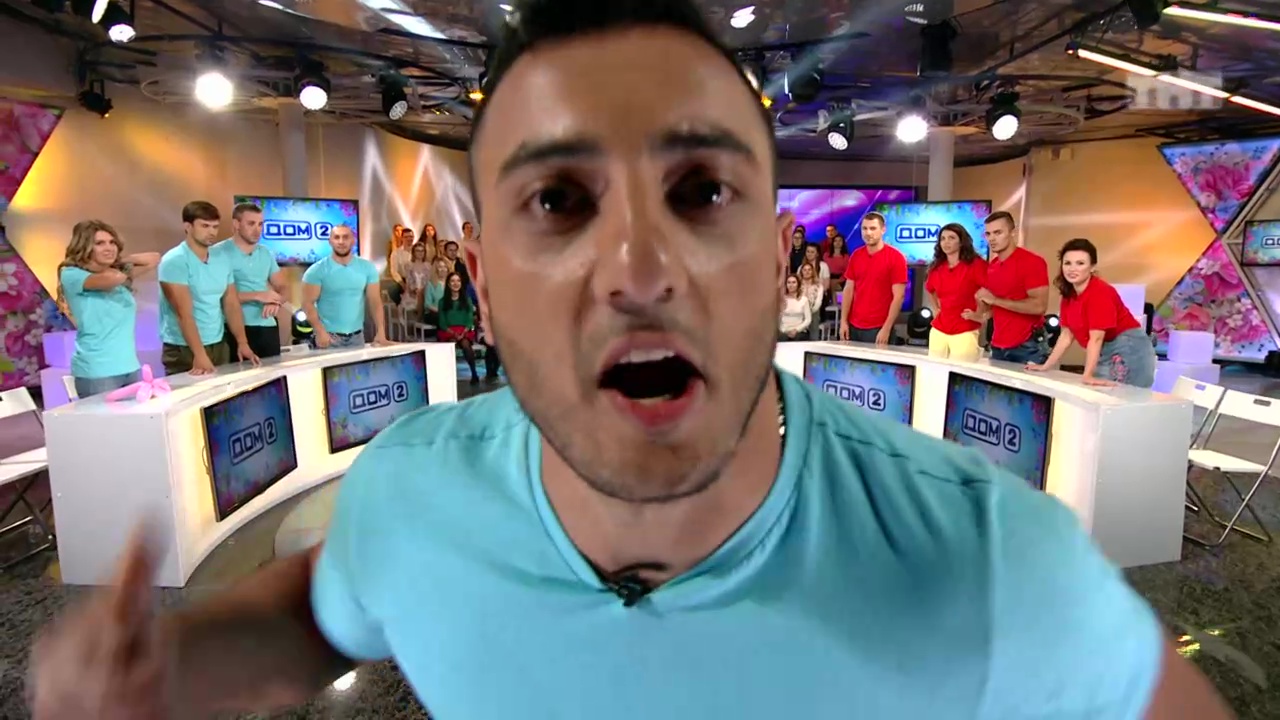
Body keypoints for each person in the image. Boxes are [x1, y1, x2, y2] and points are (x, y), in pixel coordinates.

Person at [28, 2, 1233, 719]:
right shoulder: (410, 490)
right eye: (557, 200)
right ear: (483, 281)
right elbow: (330, 611)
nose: (638, 269)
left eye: (698, 190)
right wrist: (174, 665)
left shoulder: (987, 560)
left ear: (773, 257)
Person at [1028, 238, 1157, 388]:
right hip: (1105, 348)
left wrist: (1087, 375)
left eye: (1080, 263)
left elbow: (1096, 338)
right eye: (1067, 263)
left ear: (1092, 267)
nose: (1072, 269)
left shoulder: (1100, 293)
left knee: (1116, 395)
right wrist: (1046, 366)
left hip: (1129, 347)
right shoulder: (1069, 294)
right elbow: (1066, 336)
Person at [55, 220, 160, 398]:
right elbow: (112, 280)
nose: (108, 247)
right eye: (100, 243)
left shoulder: (118, 274)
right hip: (97, 372)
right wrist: (114, 264)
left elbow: (154, 258)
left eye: (112, 243)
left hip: (130, 367)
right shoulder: (72, 274)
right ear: (85, 247)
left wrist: (120, 259)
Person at [157, 201, 260, 376]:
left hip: (218, 343)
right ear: (188, 227)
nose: (212, 232)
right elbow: (183, 314)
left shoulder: (221, 258)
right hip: (184, 348)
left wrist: (242, 343)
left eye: (215, 227)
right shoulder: (174, 261)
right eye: (205, 226)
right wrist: (199, 354)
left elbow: (231, 303)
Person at [212, 203, 287, 360]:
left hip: (267, 327)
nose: (257, 230)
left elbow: (283, 287)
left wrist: (276, 301)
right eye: (251, 224)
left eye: (260, 224)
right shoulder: (217, 253)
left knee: (273, 373)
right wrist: (257, 296)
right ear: (236, 224)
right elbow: (215, 295)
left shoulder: (266, 253)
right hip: (233, 328)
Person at [975, 211, 1050, 364]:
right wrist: (981, 304)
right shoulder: (992, 267)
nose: (992, 238)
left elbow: (1039, 306)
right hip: (998, 345)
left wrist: (995, 300)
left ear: (1012, 232)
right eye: (988, 234)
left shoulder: (1032, 262)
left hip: (1028, 345)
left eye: (998, 233)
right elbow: (992, 309)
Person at [301, 224, 389, 349]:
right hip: (328, 338)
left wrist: (381, 331)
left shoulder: (367, 268)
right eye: (337, 237)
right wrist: (319, 331)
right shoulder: (316, 271)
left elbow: (375, 300)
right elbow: (307, 304)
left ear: (353, 241)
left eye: (346, 237)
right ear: (330, 241)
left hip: (357, 337)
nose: (341, 242)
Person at [838, 211, 907, 346]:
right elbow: (848, 290)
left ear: (883, 230)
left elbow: (899, 297)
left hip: (879, 327)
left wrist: (886, 328)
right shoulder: (856, 256)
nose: (868, 233)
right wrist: (843, 322)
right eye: (864, 228)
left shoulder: (896, 258)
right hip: (853, 325)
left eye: (873, 228)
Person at [924, 223, 987, 362]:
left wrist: (980, 314)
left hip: (964, 328)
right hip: (939, 329)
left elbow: (990, 291)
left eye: (951, 238)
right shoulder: (937, 267)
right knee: (934, 370)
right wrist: (936, 309)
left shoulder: (976, 265)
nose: (946, 242)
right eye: (943, 238)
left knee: (960, 372)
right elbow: (930, 289)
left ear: (961, 242)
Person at [438, 272, 484, 384]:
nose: (456, 283)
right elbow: (442, 322)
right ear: (448, 284)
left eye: (458, 281)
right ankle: (447, 377)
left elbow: (469, 320)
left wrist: (463, 332)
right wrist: (453, 334)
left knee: (465, 345)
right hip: (448, 331)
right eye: (453, 281)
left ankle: (474, 374)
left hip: (464, 331)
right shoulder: (442, 302)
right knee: (449, 345)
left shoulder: (467, 300)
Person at [778, 274, 811, 341]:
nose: (791, 285)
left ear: (798, 284)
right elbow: (777, 319)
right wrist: (784, 330)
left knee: (798, 338)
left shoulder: (804, 300)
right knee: (782, 338)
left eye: (794, 282)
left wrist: (796, 330)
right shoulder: (781, 300)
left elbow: (808, 319)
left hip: (799, 330)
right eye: (789, 282)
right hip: (784, 330)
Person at [401, 242, 432, 311]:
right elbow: (408, 281)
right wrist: (414, 290)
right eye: (418, 251)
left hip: (425, 293)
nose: (420, 253)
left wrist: (423, 291)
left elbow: (429, 280)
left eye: (422, 251)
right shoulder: (409, 265)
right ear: (414, 252)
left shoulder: (428, 266)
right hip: (412, 293)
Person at [797, 261, 824, 339]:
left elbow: (818, 302)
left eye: (809, 270)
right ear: (801, 272)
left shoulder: (819, 286)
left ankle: (814, 340)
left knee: (815, 316)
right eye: (805, 270)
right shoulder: (797, 285)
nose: (807, 272)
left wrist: (809, 311)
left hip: (813, 311)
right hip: (799, 310)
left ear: (812, 272)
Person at [419, 256, 449, 325]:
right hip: (433, 313)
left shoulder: (451, 283)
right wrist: (440, 311)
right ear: (436, 269)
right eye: (440, 267)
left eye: (445, 267)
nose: (443, 269)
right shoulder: (430, 284)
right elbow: (427, 304)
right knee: (443, 317)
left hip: (448, 313)